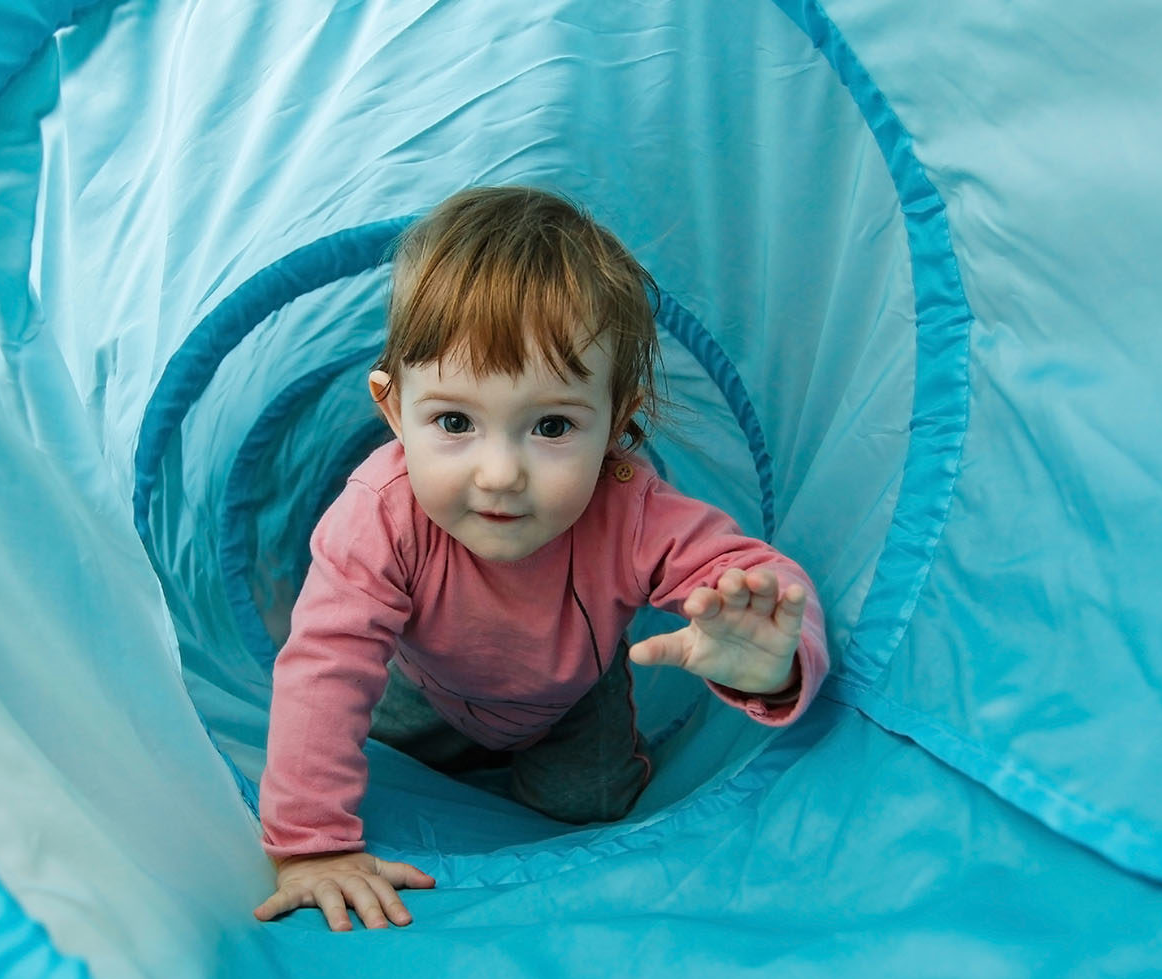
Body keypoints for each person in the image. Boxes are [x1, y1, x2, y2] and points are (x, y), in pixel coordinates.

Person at [253, 186, 829, 932]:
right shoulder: (380, 513)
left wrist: (774, 663)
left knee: (591, 815)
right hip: (421, 687)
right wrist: (310, 847)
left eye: (552, 425)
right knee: (388, 764)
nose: (500, 474)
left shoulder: (629, 511)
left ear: (616, 424)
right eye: (455, 420)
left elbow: (756, 576)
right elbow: (324, 664)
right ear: (394, 410)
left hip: (572, 703)